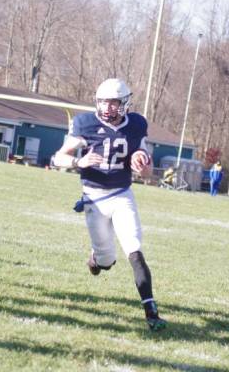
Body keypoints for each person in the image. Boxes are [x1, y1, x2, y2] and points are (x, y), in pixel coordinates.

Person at [53, 78, 167, 331]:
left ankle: (151, 312)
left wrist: (142, 162)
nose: (107, 108)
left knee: (134, 250)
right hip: (95, 197)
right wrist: (77, 163)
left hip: (123, 194)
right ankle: (96, 259)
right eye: (103, 102)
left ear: (125, 103)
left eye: (113, 103)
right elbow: (57, 157)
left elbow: (146, 172)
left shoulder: (136, 125)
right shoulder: (86, 123)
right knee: (106, 261)